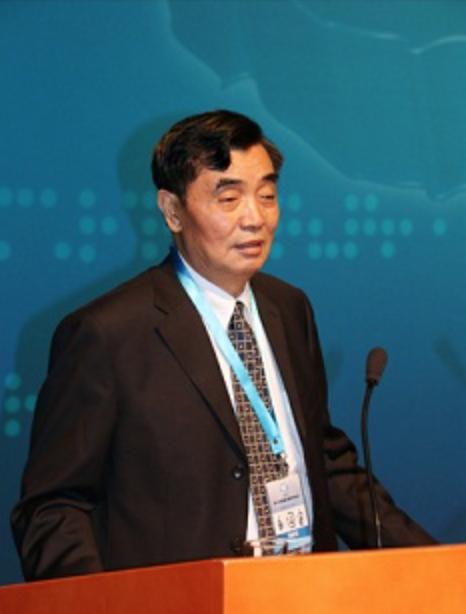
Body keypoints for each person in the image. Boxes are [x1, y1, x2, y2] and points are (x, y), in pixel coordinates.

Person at [11, 110, 435, 581]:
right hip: (182, 605)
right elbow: (53, 508)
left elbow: (324, 462)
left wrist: (437, 568)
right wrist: (106, 610)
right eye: (229, 198)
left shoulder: (289, 309)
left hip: (304, 594)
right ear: (173, 211)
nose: (255, 218)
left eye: (267, 195)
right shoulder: (107, 334)